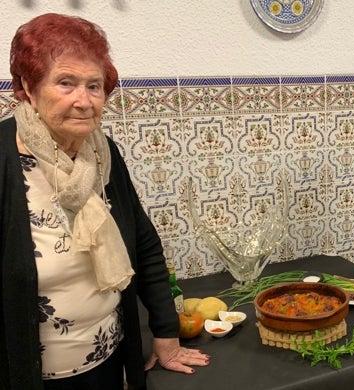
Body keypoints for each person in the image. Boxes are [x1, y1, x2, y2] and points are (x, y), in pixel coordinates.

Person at [0, 14, 209, 390]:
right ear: (28, 87)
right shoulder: (3, 159)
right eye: (66, 83)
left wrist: (166, 332)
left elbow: (143, 244)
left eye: (94, 86)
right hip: (30, 376)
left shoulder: (101, 154)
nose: (84, 101)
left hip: (112, 365)